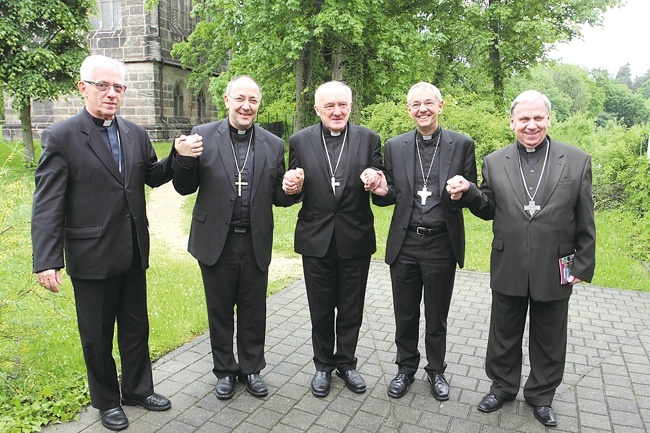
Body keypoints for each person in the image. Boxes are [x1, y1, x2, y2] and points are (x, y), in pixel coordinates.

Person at [31, 55, 190, 431]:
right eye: (103, 85)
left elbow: (150, 176)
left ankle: (137, 389)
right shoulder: (62, 136)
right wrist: (46, 259)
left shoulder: (135, 133)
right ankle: (106, 401)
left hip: (133, 250)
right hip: (91, 255)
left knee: (136, 328)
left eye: (118, 87)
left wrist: (176, 157)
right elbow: (48, 203)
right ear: (82, 87)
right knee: (97, 336)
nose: (112, 93)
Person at [446, 90, 596, 427]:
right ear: (512, 122)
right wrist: (469, 192)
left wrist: (582, 264)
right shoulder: (495, 161)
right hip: (509, 260)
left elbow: (585, 217)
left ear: (548, 119)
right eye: (524, 119)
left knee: (550, 335)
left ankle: (542, 395)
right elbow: (488, 208)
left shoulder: (576, 160)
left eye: (538, 118)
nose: (531, 125)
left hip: (557, 263)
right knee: (504, 333)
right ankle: (501, 387)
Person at [172, 75, 300, 401]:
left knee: (254, 309)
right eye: (240, 98)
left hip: (255, 238)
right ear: (227, 100)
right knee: (219, 310)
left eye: (253, 100)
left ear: (259, 104)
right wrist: (184, 159)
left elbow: (277, 195)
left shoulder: (273, 143)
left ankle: (252, 369)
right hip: (216, 239)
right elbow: (184, 188)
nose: (246, 106)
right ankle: (225, 371)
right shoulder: (202, 135)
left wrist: (291, 191)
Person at [371, 82, 477, 401]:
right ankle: (405, 369)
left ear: (440, 106)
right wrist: (379, 190)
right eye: (416, 104)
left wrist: (464, 190)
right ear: (408, 110)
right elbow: (389, 196)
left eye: (428, 103)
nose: (422, 109)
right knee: (405, 313)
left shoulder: (461, 145)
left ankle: (436, 370)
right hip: (405, 243)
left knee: (436, 313)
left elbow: (474, 194)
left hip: (441, 243)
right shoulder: (395, 145)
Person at [287, 81, 383, 397]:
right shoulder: (299, 141)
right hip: (316, 239)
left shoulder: (369, 139)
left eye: (342, 105)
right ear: (317, 109)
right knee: (321, 308)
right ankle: (323, 367)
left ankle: (347, 364)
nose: (337, 111)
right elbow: (291, 186)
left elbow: (380, 180)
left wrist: (374, 178)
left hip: (355, 237)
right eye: (329, 106)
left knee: (352, 307)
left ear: (351, 107)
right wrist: (293, 185)